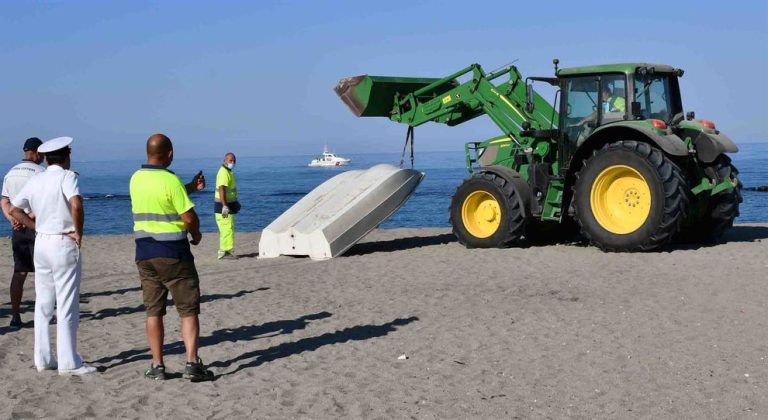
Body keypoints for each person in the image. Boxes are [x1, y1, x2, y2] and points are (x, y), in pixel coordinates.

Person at [129, 133, 213, 381]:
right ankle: (191, 363)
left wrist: (189, 187)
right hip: (174, 254)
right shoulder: (170, 180)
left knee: (153, 311)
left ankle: (157, 365)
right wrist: (196, 234)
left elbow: (160, 198)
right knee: (188, 310)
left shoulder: (136, 178)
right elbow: (188, 216)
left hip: (144, 253)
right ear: (170, 153)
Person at [9, 136, 96, 376]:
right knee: (67, 302)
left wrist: (34, 226)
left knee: (43, 302)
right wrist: (79, 233)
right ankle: (69, 361)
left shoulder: (37, 179)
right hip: (62, 242)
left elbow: (14, 209)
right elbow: (76, 204)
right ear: (66, 156)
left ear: (47, 158)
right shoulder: (67, 177)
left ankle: (43, 358)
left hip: (42, 243)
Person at [1, 137, 45, 329]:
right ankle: (43, 314)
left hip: (18, 228)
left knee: (19, 272)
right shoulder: (40, 172)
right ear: (37, 153)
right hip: (36, 226)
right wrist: (28, 217)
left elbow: (4, 201)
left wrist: (13, 219)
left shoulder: (11, 173)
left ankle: (16, 315)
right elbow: (44, 202)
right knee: (44, 273)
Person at [214, 152, 239, 260]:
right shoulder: (224, 172)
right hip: (223, 207)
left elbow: (230, 191)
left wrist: (235, 203)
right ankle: (225, 252)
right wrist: (224, 206)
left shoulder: (229, 172)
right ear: (225, 161)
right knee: (226, 229)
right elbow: (221, 189)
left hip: (228, 206)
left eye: (234, 160)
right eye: (230, 160)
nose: (232, 162)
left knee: (228, 228)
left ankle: (226, 251)